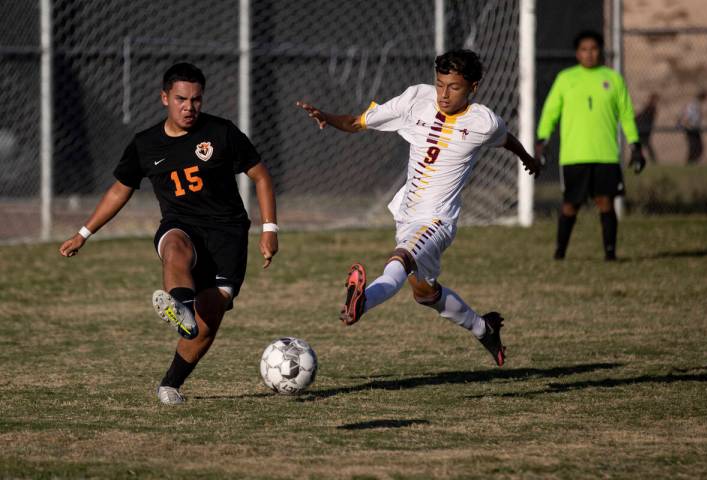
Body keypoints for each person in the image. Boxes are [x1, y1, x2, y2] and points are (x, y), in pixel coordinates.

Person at [296, 50, 542, 367]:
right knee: (425, 293)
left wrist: (528, 158)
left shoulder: (483, 122)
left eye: (454, 87)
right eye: (440, 84)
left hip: (438, 221)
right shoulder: (416, 99)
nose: (443, 94)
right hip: (407, 215)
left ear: (473, 87)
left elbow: (506, 139)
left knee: (400, 258)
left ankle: (360, 304)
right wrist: (327, 117)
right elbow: (359, 121)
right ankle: (485, 328)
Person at [59, 63, 278, 405]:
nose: (189, 107)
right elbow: (120, 190)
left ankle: (170, 383)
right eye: (181, 99)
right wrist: (83, 233)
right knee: (174, 246)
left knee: (210, 319)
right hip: (182, 224)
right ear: (164, 98)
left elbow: (261, 176)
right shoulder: (145, 144)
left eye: (196, 99)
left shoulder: (221, 132)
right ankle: (182, 309)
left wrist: (269, 230)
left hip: (228, 235)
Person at [536, 30, 646, 262]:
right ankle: (560, 253)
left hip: (606, 155)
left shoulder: (613, 78)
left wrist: (635, 145)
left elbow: (626, 115)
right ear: (577, 53)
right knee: (570, 205)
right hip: (574, 156)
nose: (589, 54)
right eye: (584, 49)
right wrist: (542, 140)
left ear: (601, 51)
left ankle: (610, 254)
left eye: (594, 49)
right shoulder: (566, 78)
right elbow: (550, 113)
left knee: (605, 202)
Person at [678, 91, 707, 164]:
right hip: (691, 128)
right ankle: (690, 162)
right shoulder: (694, 105)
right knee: (694, 146)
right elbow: (687, 115)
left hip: (695, 128)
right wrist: (684, 124)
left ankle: (692, 162)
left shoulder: (696, 104)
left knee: (697, 146)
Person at [635, 92, 659, 164]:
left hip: (644, 129)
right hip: (643, 128)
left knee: (645, 145)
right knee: (645, 145)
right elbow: (641, 116)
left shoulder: (651, 108)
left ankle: (652, 160)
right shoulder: (649, 108)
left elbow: (643, 117)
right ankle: (652, 160)